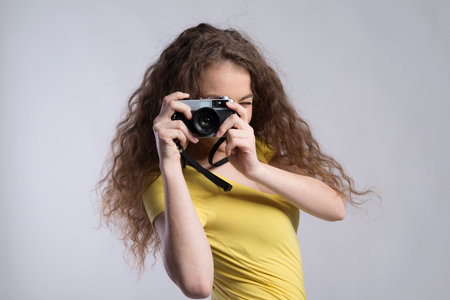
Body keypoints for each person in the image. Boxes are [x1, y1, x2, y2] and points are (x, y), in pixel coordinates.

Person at [96, 23, 376, 299]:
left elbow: (335, 208)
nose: (233, 115)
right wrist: (169, 165)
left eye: (245, 102)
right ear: (185, 103)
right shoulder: (167, 181)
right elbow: (196, 285)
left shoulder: (262, 153)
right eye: (216, 104)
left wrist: (255, 168)